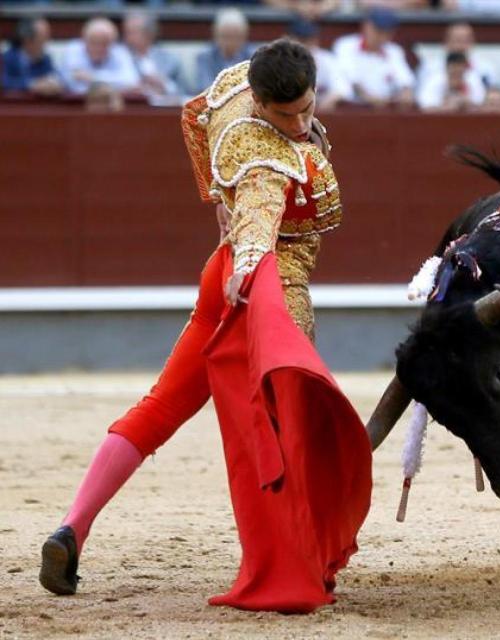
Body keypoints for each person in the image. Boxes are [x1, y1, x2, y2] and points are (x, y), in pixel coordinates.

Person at [39, 39, 372, 614]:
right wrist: (246, 263)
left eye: (306, 109)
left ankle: (73, 527)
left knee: (162, 405)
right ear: (262, 104)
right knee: (288, 422)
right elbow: (261, 219)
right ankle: (299, 559)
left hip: (218, 275)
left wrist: (215, 194)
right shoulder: (266, 154)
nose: (297, 123)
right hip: (267, 286)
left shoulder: (238, 83)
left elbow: (192, 114)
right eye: (283, 114)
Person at [332, 7, 415, 108]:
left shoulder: (394, 51)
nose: (382, 37)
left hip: (386, 109)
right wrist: (368, 97)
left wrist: (406, 94)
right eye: (378, 31)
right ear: (366, 26)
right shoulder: (346, 45)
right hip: (353, 108)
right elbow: (349, 78)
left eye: (387, 32)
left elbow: (405, 81)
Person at [59, 17, 140, 96]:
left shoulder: (119, 51)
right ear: (84, 40)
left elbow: (131, 81)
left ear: (112, 43)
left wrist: (93, 77)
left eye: (104, 43)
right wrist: (113, 85)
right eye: (93, 42)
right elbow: (76, 88)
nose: (98, 48)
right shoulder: (73, 49)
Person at [288, 18, 353, 111]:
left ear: (316, 41)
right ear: (289, 40)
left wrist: (325, 103)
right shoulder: (277, 61)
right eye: (301, 40)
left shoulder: (327, 59)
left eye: (309, 40)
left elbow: (343, 89)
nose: (305, 45)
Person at [121, 9, 186, 101]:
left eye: (133, 32)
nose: (127, 37)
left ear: (149, 34)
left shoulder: (170, 60)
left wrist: (164, 84)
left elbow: (185, 91)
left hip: (163, 109)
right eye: (126, 32)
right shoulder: (120, 56)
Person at [194, 8, 254, 94]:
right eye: (225, 36)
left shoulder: (254, 57)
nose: (230, 42)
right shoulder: (204, 57)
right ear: (215, 35)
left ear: (244, 36)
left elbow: (254, 88)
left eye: (235, 37)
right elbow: (204, 88)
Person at [2, 17, 63, 96]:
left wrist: (54, 85)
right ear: (27, 40)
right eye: (42, 38)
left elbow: (56, 78)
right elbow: (4, 82)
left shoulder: (45, 59)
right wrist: (31, 85)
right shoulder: (7, 58)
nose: (46, 43)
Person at [417, 51, 487, 112]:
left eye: (460, 72)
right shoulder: (434, 81)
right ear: (446, 68)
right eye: (453, 72)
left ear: (466, 69)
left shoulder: (473, 79)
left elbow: (482, 106)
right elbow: (425, 108)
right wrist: (445, 108)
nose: (456, 74)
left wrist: (465, 102)